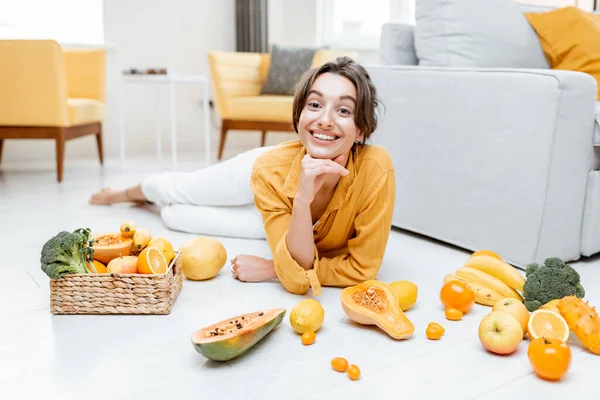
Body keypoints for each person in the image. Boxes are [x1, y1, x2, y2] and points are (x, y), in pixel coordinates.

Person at [90, 56, 395, 296]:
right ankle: (123, 195)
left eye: (343, 111)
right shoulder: (267, 168)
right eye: (314, 105)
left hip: (285, 219)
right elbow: (303, 270)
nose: (325, 120)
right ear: (300, 115)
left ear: (361, 129)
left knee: (174, 217)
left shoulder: (376, 169)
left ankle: (151, 206)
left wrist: (274, 266)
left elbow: (359, 269)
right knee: (177, 189)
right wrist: (301, 206)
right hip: (262, 178)